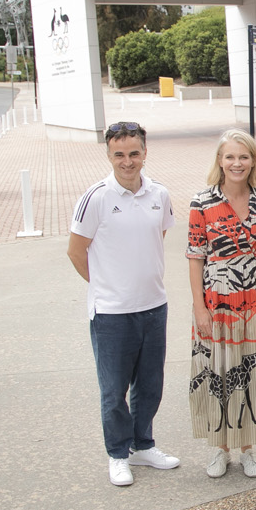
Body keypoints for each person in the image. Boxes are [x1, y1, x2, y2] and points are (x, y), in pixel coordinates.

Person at [67, 120, 181, 486]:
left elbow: (157, 236)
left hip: (153, 307)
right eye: (120, 154)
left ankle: (143, 445)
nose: (127, 161)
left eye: (134, 153)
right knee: (114, 390)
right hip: (112, 313)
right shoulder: (96, 197)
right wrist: (106, 284)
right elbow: (75, 251)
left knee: (149, 385)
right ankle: (118, 454)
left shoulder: (159, 195)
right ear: (109, 155)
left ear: (145, 153)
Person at [186, 129, 256, 479]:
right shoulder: (202, 202)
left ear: (252, 160)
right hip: (217, 304)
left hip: (254, 301)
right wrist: (199, 308)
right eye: (230, 157)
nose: (237, 163)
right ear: (220, 162)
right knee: (219, 374)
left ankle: (248, 448)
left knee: (252, 372)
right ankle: (220, 449)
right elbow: (196, 257)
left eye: (244, 156)